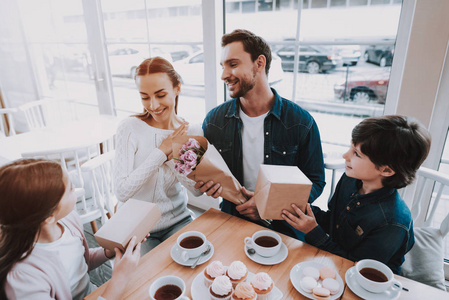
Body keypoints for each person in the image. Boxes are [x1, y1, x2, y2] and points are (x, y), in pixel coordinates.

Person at [196, 29, 326, 239]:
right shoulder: (214, 121)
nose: (223, 75)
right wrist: (207, 185)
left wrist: (269, 203)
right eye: (223, 66)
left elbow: (315, 181)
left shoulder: (301, 123)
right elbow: (210, 173)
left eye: (233, 64)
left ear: (259, 63)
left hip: (284, 227)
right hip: (232, 218)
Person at [281, 115, 432, 274]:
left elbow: (357, 268)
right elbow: (335, 221)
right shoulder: (350, 179)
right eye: (350, 147)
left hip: (366, 279)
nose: (345, 156)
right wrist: (301, 210)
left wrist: (314, 232)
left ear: (386, 170)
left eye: (357, 154)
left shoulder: (393, 223)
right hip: (333, 259)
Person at [0, 159, 141, 300]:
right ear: (48, 217)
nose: (77, 189)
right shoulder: (23, 278)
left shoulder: (68, 221)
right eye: (70, 189)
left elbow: (80, 261)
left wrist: (108, 251)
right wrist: (118, 281)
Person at [113, 57, 203, 254]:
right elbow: (122, 191)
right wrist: (161, 152)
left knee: (196, 262)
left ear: (177, 88)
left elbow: (197, 191)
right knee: (147, 278)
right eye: (144, 97)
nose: (153, 105)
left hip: (178, 220)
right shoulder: (129, 128)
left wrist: (173, 159)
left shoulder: (193, 129)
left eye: (160, 95)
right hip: (137, 227)